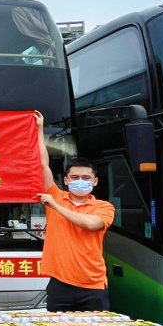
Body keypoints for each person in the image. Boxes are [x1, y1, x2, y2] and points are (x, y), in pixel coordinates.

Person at [35, 111, 116, 311]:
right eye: (75, 177)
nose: (80, 181)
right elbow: (42, 165)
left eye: (86, 178)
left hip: (93, 285)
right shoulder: (56, 195)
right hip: (60, 283)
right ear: (66, 180)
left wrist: (55, 206)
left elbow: (91, 224)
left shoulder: (104, 207)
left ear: (95, 182)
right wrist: (39, 128)